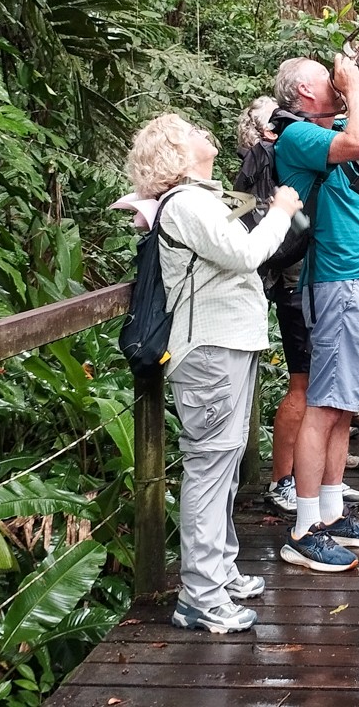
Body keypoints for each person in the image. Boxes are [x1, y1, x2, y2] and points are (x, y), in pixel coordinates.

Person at [125, 113, 303, 634]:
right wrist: (282, 211)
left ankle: (219, 571)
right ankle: (200, 595)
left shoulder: (200, 198)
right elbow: (244, 254)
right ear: (176, 153)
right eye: (191, 131)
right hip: (208, 350)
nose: (203, 134)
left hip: (226, 344)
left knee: (223, 464)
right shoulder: (187, 202)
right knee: (210, 467)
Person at [272, 45, 359, 572]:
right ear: (304, 91)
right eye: (324, 78)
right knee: (326, 403)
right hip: (339, 279)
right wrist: (353, 84)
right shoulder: (297, 134)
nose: (333, 81)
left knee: (346, 401)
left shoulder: (328, 131)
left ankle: (331, 511)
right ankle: (304, 527)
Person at [233, 97, 359, 518]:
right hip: (296, 285)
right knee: (303, 385)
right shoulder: (276, 160)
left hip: (304, 279)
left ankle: (321, 479)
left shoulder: (274, 162)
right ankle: (282, 481)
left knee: (318, 386)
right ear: (267, 131)